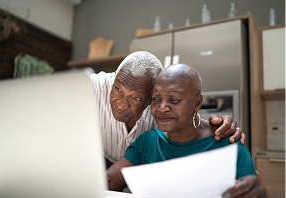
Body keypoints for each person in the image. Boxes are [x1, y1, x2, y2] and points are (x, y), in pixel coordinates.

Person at [106, 64, 267, 197]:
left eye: (173, 99)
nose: (162, 108)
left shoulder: (227, 141)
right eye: (156, 99)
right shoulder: (148, 142)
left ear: (197, 103)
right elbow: (110, 181)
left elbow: (252, 192)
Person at [90, 51, 245, 169]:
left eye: (136, 98)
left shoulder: (161, 112)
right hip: (99, 157)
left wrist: (226, 125)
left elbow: (189, 123)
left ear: (151, 97)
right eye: (118, 89)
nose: (122, 105)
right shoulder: (93, 87)